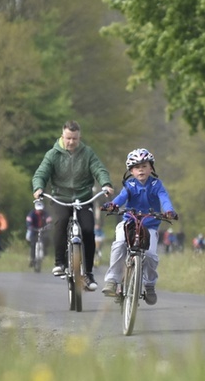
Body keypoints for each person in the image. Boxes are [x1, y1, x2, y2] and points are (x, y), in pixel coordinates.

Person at [32, 121, 114, 291]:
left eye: (74, 139)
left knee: (88, 230)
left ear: (79, 138)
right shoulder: (53, 154)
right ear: (63, 136)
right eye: (68, 138)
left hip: (83, 198)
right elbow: (41, 173)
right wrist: (38, 187)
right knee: (61, 221)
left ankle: (89, 273)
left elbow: (99, 169)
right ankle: (59, 262)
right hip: (61, 198)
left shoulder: (87, 153)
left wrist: (105, 184)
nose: (71, 142)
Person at [101, 148, 177, 305]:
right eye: (136, 167)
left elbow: (164, 198)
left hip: (149, 226)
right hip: (129, 222)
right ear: (131, 171)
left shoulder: (156, 184)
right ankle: (112, 280)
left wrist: (168, 210)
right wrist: (113, 205)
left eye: (144, 166)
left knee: (150, 255)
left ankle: (149, 285)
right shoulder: (129, 184)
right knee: (119, 244)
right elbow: (121, 197)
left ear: (151, 168)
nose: (141, 169)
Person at [26, 201, 52, 267]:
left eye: (40, 210)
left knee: (47, 239)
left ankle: (45, 253)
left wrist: (48, 224)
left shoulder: (45, 213)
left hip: (43, 230)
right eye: (38, 210)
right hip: (34, 230)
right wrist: (30, 227)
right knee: (33, 244)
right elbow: (28, 222)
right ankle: (32, 259)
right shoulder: (31, 214)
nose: (39, 211)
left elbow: (48, 219)